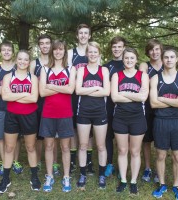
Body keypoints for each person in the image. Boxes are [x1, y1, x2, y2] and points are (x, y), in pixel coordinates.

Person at [0, 50, 40, 193]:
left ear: (29, 62)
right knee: (9, 148)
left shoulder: (33, 78)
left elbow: (34, 99)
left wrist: (14, 95)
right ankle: (6, 178)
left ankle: (34, 176)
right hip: (12, 115)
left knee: (31, 147)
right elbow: (5, 97)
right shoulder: (8, 76)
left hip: (29, 115)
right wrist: (25, 94)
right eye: (20, 59)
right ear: (16, 60)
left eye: (25, 59)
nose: (22, 62)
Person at [150, 48, 178, 199]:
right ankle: (162, 184)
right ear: (163, 59)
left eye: (172, 57)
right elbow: (153, 103)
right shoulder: (155, 78)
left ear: (177, 59)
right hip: (160, 121)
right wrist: (175, 101)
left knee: (177, 156)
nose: (169, 60)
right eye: (166, 57)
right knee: (160, 155)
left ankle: (176, 185)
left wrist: (162, 99)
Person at [39, 40, 76, 192]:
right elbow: (42, 93)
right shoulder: (45, 70)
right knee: (48, 146)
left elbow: (70, 90)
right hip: (48, 113)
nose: (58, 52)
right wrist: (62, 88)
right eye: (55, 50)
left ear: (65, 51)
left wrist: (50, 86)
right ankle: (49, 175)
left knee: (65, 146)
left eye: (61, 49)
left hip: (65, 113)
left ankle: (66, 177)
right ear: (52, 52)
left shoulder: (70, 69)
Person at [111, 48, 149, 194]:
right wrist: (134, 95)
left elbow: (143, 98)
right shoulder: (117, 75)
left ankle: (133, 180)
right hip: (120, 117)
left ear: (136, 59)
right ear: (123, 59)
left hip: (137, 117)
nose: (129, 60)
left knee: (135, 151)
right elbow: (114, 98)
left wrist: (124, 93)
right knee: (122, 150)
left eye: (132, 58)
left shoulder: (142, 75)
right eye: (126, 58)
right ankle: (123, 180)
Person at [75, 41, 110, 189]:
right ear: (87, 54)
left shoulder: (104, 71)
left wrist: (87, 89)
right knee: (83, 145)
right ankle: (83, 173)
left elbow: (107, 92)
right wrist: (97, 87)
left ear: (99, 54)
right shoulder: (82, 70)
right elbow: (78, 91)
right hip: (83, 111)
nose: (93, 54)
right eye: (90, 52)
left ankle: (101, 174)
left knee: (101, 145)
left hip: (100, 111)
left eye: (96, 52)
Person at [0, 41, 23, 176]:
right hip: (1, 108)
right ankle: (5, 163)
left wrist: (4, 90)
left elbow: (23, 87)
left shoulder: (18, 68)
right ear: (0, 52)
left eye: (9, 50)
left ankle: (15, 161)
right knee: (0, 137)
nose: (6, 52)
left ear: (13, 52)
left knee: (17, 137)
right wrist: (12, 91)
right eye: (3, 50)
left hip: (17, 108)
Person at [30, 34, 60, 175]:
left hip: (54, 102)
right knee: (39, 136)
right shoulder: (34, 64)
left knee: (54, 135)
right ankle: (39, 161)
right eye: (42, 43)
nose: (45, 46)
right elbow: (29, 83)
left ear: (51, 44)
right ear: (39, 45)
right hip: (38, 103)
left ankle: (54, 162)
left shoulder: (57, 62)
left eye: (47, 43)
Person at [67, 24, 95, 174]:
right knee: (73, 129)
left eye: (86, 33)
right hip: (73, 95)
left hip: (88, 96)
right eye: (81, 33)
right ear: (77, 36)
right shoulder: (71, 53)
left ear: (89, 36)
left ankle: (89, 162)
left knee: (88, 130)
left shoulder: (93, 52)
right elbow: (69, 74)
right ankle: (72, 161)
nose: (83, 35)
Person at [139, 39, 163, 183]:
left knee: (160, 140)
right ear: (148, 52)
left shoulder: (167, 63)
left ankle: (158, 169)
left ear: (161, 50)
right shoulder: (144, 65)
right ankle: (148, 168)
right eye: (151, 49)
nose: (154, 52)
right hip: (147, 106)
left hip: (162, 106)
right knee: (147, 140)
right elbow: (143, 82)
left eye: (157, 49)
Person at [103, 36, 126, 177]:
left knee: (122, 138)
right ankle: (109, 164)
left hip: (125, 108)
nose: (116, 49)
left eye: (119, 47)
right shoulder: (106, 67)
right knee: (108, 137)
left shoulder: (129, 64)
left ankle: (121, 165)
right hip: (108, 106)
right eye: (114, 47)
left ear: (124, 48)